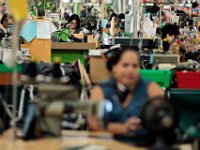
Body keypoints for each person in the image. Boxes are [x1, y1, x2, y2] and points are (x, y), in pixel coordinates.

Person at [88, 45, 163, 143]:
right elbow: (93, 124)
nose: (130, 70)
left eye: (135, 66)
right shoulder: (100, 90)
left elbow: (163, 119)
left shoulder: (151, 88)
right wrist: (123, 128)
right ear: (114, 67)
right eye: (125, 65)